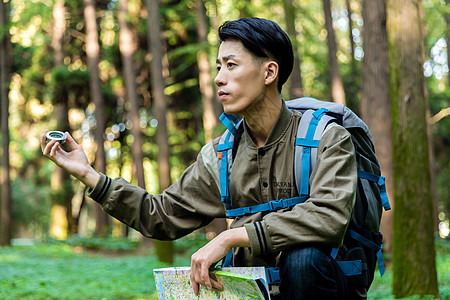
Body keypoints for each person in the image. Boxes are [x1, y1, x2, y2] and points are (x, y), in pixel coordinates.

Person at [42, 17, 358, 299]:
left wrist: (233, 236)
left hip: (324, 285)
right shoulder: (222, 155)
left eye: (231, 65)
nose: (219, 78)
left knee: (304, 259)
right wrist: (90, 176)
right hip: (253, 290)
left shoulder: (325, 138)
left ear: (269, 72)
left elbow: (329, 217)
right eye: (218, 66)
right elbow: (161, 215)